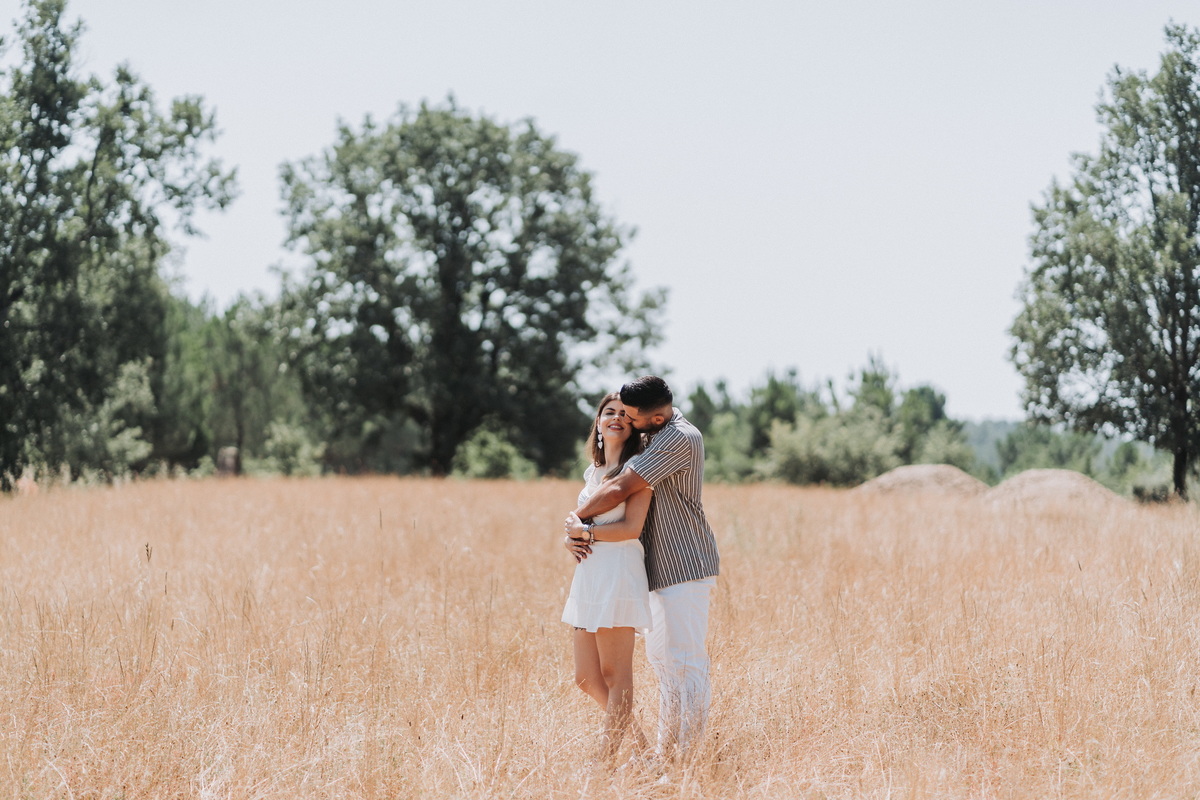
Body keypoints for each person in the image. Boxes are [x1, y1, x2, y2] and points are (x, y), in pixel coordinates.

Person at [565, 375, 720, 761]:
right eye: (617, 414)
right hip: (654, 567)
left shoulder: (678, 436)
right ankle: (665, 755)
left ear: (653, 417)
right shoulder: (654, 435)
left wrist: (576, 525)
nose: (626, 421)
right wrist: (577, 531)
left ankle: (689, 759)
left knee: (685, 660)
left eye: (631, 417)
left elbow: (620, 490)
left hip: (684, 561)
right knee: (665, 664)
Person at [560, 392, 654, 764]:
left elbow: (632, 528)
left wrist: (586, 534)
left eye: (625, 416)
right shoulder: (593, 473)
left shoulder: (638, 468)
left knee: (616, 674)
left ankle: (604, 764)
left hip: (618, 572)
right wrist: (572, 538)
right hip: (590, 576)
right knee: (585, 678)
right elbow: (579, 525)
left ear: (632, 427)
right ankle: (645, 751)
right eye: (609, 412)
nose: (616, 418)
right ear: (598, 423)